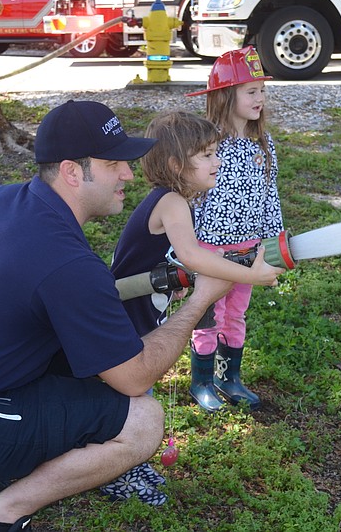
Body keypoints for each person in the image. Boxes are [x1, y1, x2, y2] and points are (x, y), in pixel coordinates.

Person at [0, 100, 232, 532]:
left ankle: (13, 449)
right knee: (145, 421)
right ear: (73, 172)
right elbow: (135, 379)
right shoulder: (70, 266)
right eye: (114, 164)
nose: (129, 174)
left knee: (87, 360)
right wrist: (199, 300)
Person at [102, 110, 284, 498]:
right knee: (131, 397)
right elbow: (195, 256)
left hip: (140, 307)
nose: (218, 161)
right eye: (207, 155)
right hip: (125, 313)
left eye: (215, 152)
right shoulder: (171, 202)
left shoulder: (172, 201)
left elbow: (173, 259)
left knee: (136, 394)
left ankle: (129, 466)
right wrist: (251, 275)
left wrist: (172, 283)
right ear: (176, 165)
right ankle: (115, 472)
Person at [186, 46, 285, 412]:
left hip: (250, 250)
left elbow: (269, 192)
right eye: (251, 91)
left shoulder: (263, 143)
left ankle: (230, 379)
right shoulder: (207, 144)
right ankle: (202, 381)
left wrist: (273, 241)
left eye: (262, 91)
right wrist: (186, 246)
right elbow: (193, 197)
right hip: (210, 249)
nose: (260, 98)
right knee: (208, 314)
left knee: (236, 314)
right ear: (227, 95)